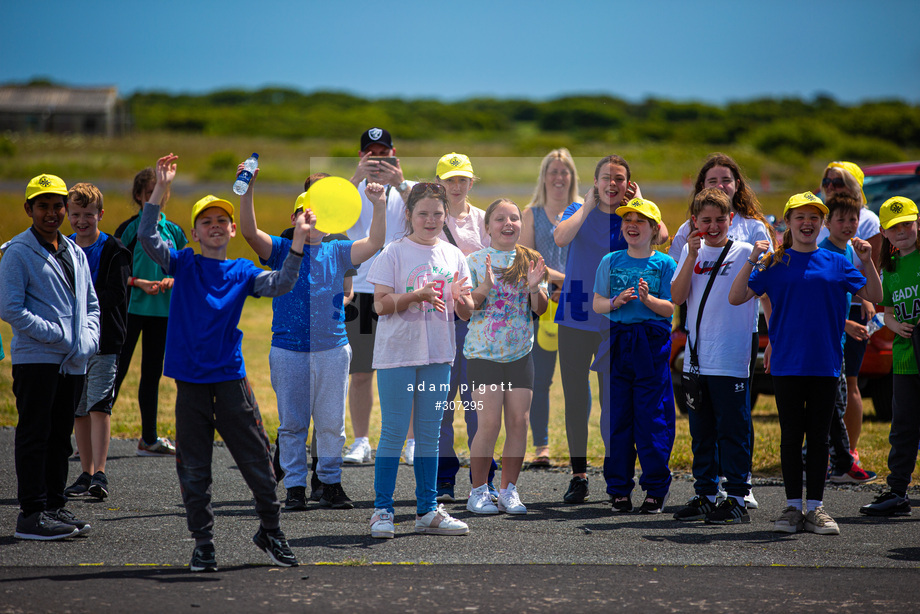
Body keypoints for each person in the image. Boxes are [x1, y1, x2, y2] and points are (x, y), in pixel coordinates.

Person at [138, 154, 304, 571]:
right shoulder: (184, 262)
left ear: (232, 230)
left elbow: (282, 282)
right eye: (206, 221)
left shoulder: (243, 270)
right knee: (194, 469)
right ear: (193, 232)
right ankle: (203, 543)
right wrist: (161, 188)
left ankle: (270, 530)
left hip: (231, 380)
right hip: (190, 384)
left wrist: (298, 242)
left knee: (260, 464)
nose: (215, 226)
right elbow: (147, 237)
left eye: (222, 221)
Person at [729, 192, 881, 536]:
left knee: (818, 437)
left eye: (815, 217)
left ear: (822, 224)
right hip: (786, 364)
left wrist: (867, 260)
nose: (807, 223)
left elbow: (875, 295)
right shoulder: (775, 263)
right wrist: (753, 260)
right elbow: (737, 297)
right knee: (790, 437)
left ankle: (816, 508)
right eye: (800, 217)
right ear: (789, 223)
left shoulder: (837, 261)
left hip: (826, 363)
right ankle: (792, 507)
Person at [238, 163, 387, 512]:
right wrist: (248, 191)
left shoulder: (338, 250)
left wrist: (378, 205)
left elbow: (377, 242)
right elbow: (248, 232)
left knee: (331, 424)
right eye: (305, 215)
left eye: (318, 215)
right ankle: (294, 487)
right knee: (292, 424)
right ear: (294, 220)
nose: (312, 221)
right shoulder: (280, 249)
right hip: (288, 350)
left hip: (333, 350)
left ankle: (331, 483)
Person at [553, 154, 668, 504]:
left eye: (619, 178)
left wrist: (641, 200)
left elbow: (661, 237)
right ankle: (578, 474)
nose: (612, 184)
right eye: (606, 177)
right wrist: (586, 207)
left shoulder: (633, 216)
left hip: (614, 320)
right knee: (575, 399)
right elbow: (560, 239)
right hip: (575, 312)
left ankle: (614, 474)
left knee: (613, 402)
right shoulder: (576, 209)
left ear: (628, 183)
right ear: (595, 181)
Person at [668, 153, 776, 509]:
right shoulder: (689, 248)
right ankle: (705, 493)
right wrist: (689, 255)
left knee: (734, 428)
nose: (712, 226)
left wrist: (772, 337)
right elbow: (678, 296)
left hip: (732, 354)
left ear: (731, 219)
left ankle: (739, 496)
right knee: (701, 431)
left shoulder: (746, 248)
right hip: (698, 355)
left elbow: (764, 295)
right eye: (705, 221)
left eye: (719, 220)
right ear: (695, 222)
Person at [366, 182, 473, 538]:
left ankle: (427, 511)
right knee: (394, 433)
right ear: (409, 214)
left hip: (439, 355)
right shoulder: (393, 252)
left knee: (429, 434)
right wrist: (415, 296)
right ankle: (382, 511)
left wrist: (463, 301)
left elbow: (467, 309)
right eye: (423, 213)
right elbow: (379, 304)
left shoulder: (453, 255)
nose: (430, 220)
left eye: (437, 214)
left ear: (446, 216)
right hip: (397, 354)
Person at [0, 174, 99, 540]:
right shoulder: (17, 252)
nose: (52, 213)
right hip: (37, 360)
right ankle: (31, 514)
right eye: (43, 205)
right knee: (35, 435)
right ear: (28, 209)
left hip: (73, 361)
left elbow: (91, 304)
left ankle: (55, 505)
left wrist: (87, 340)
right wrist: (56, 334)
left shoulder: (74, 251)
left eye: (58, 205)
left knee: (60, 436)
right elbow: (10, 308)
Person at [592, 198, 677, 514]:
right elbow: (597, 302)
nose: (632, 225)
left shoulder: (665, 264)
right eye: (628, 220)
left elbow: (671, 307)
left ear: (654, 229)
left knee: (651, 417)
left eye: (640, 221)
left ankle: (655, 488)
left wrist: (648, 300)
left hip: (650, 343)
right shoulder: (610, 260)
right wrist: (615, 301)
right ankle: (618, 490)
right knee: (618, 418)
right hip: (618, 341)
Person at [464, 199, 548, 515]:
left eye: (514, 218)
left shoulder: (531, 259)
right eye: (500, 219)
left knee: (518, 422)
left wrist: (533, 286)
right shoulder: (473, 260)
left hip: (520, 354)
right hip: (482, 355)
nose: (508, 223)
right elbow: (465, 310)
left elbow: (540, 309)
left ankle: (508, 491)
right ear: (488, 227)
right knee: (488, 425)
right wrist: (484, 286)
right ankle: (477, 491)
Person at [343, 127, 414, 465]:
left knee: (408, 368)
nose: (377, 159)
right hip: (361, 290)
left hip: (400, 291)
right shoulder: (349, 190)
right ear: (361, 156)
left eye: (383, 153)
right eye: (370, 154)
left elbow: (425, 212)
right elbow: (334, 216)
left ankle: (411, 441)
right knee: (360, 373)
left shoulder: (406, 188)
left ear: (393, 152)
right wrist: (356, 177)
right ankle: (360, 441)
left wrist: (399, 181)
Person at [432, 152, 496, 503]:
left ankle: (481, 475)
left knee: (476, 405)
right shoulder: (428, 218)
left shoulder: (485, 219)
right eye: (449, 179)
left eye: (462, 179)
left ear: (471, 182)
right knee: (441, 404)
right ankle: (444, 477)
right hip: (440, 320)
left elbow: (495, 267)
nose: (456, 186)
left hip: (478, 322)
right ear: (438, 182)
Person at [62, 183, 131, 500]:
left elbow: (117, 294)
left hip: (105, 340)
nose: (81, 221)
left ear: (100, 214)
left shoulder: (114, 249)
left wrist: (79, 302)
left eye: (88, 214)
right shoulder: (62, 248)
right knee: (78, 407)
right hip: (72, 343)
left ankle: (100, 473)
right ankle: (86, 471)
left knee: (99, 404)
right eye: (75, 214)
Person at [113, 166, 188, 456]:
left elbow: (187, 268)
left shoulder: (175, 231)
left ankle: (148, 438)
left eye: (158, 193)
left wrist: (174, 278)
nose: (153, 198)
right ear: (138, 196)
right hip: (130, 311)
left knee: (151, 374)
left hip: (162, 314)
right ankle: (92, 433)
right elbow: (114, 273)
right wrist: (138, 283)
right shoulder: (130, 229)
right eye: (147, 194)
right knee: (115, 372)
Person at [817, 161, 882, 468]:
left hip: (845, 324)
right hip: (828, 329)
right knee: (827, 398)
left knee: (843, 390)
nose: (830, 187)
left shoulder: (864, 225)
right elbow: (814, 295)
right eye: (826, 182)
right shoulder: (824, 236)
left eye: (838, 182)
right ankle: (836, 458)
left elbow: (871, 289)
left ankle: (843, 454)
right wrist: (845, 322)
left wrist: (862, 298)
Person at [520, 148, 581, 467]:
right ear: (544, 176)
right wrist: (563, 280)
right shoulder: (532, 213)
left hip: (580, 302)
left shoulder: (584, 210)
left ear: (572, 176)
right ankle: (541, 446)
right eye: (553, 171)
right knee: (540, 379)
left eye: (565, 171)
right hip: (543, 301)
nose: (559, 177)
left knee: (577, 381)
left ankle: (578, 453)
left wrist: (571, 284)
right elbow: (529, 259)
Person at [860, 196, 920, 517]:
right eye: (895, 227)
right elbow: (886, 310)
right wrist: (893, 321)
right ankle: (897, 491)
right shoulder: (890, 267)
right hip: (905, 360)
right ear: (883, 231)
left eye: (908, 224)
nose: (902, 231)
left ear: (918, 223)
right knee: (903, 427)